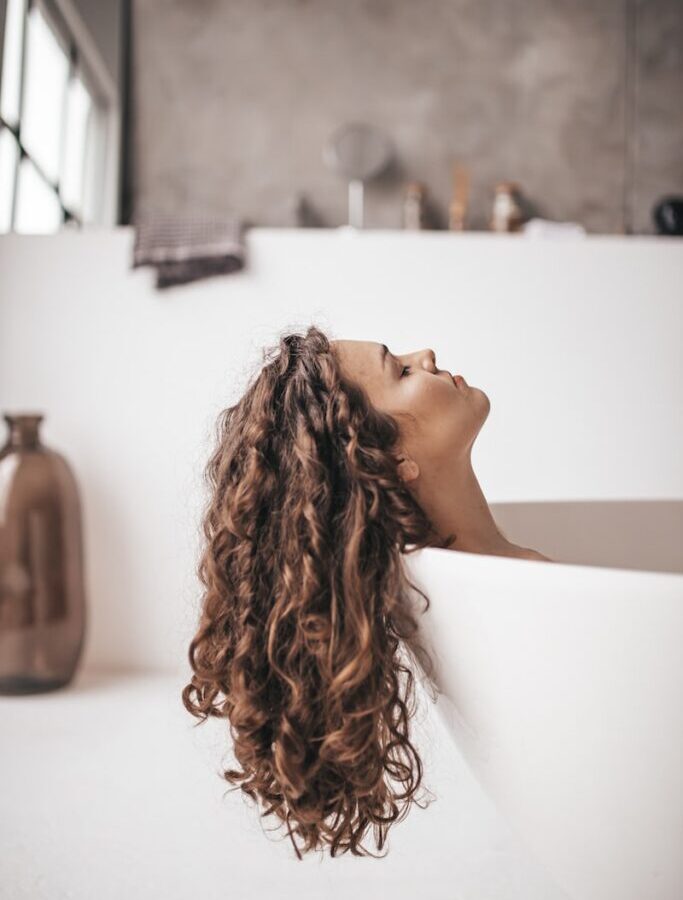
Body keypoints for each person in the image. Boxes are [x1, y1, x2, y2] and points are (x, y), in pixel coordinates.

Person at [181, 325, 551, 863]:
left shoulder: (498, 574)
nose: (425, 354)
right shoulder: (518, 591)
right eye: (401, 371)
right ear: (394, 461)